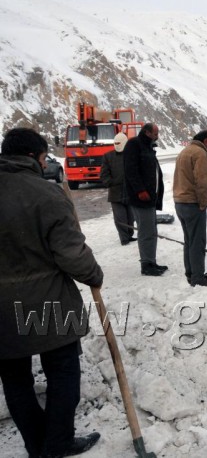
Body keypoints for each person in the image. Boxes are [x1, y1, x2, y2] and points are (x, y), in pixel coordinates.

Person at [0, 127, 102, 457]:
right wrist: (93, 274)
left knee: (15, 379)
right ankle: (57, 443)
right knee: (63, 371)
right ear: (33, 156)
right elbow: (71, 253)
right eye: (44, 157)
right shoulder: (47, 194)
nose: (46, 164)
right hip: (48, 302)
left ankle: (35, 444)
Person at [173, 129, 207, 287]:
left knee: (189, 240)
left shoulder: (185, 151)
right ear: (206, 141)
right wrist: (203, 203)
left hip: (180, 202)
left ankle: (191, 273)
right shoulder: (200, 154)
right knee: (197, 242)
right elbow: (202, 181)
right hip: (192, 203)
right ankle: (198, 278)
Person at [122, 123, 167, 276]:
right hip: (141, 198)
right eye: (155, 134)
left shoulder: (148, 146)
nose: (157, 136)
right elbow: (130, 170)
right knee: (146, 231)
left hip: (150, 198)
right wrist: (140, 190)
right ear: (147, 133)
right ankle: (146, 265)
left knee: (151, 230)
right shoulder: (134, 145)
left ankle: (151, 261)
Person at [100, 132, 135, 245]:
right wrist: (113, 182)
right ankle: (124, 238)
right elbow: (104, 176)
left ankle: (130, 235)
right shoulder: (108, 157)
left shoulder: (131, 155)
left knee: (130, 217)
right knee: (120, 218)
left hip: (130, 193)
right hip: (116, 194)